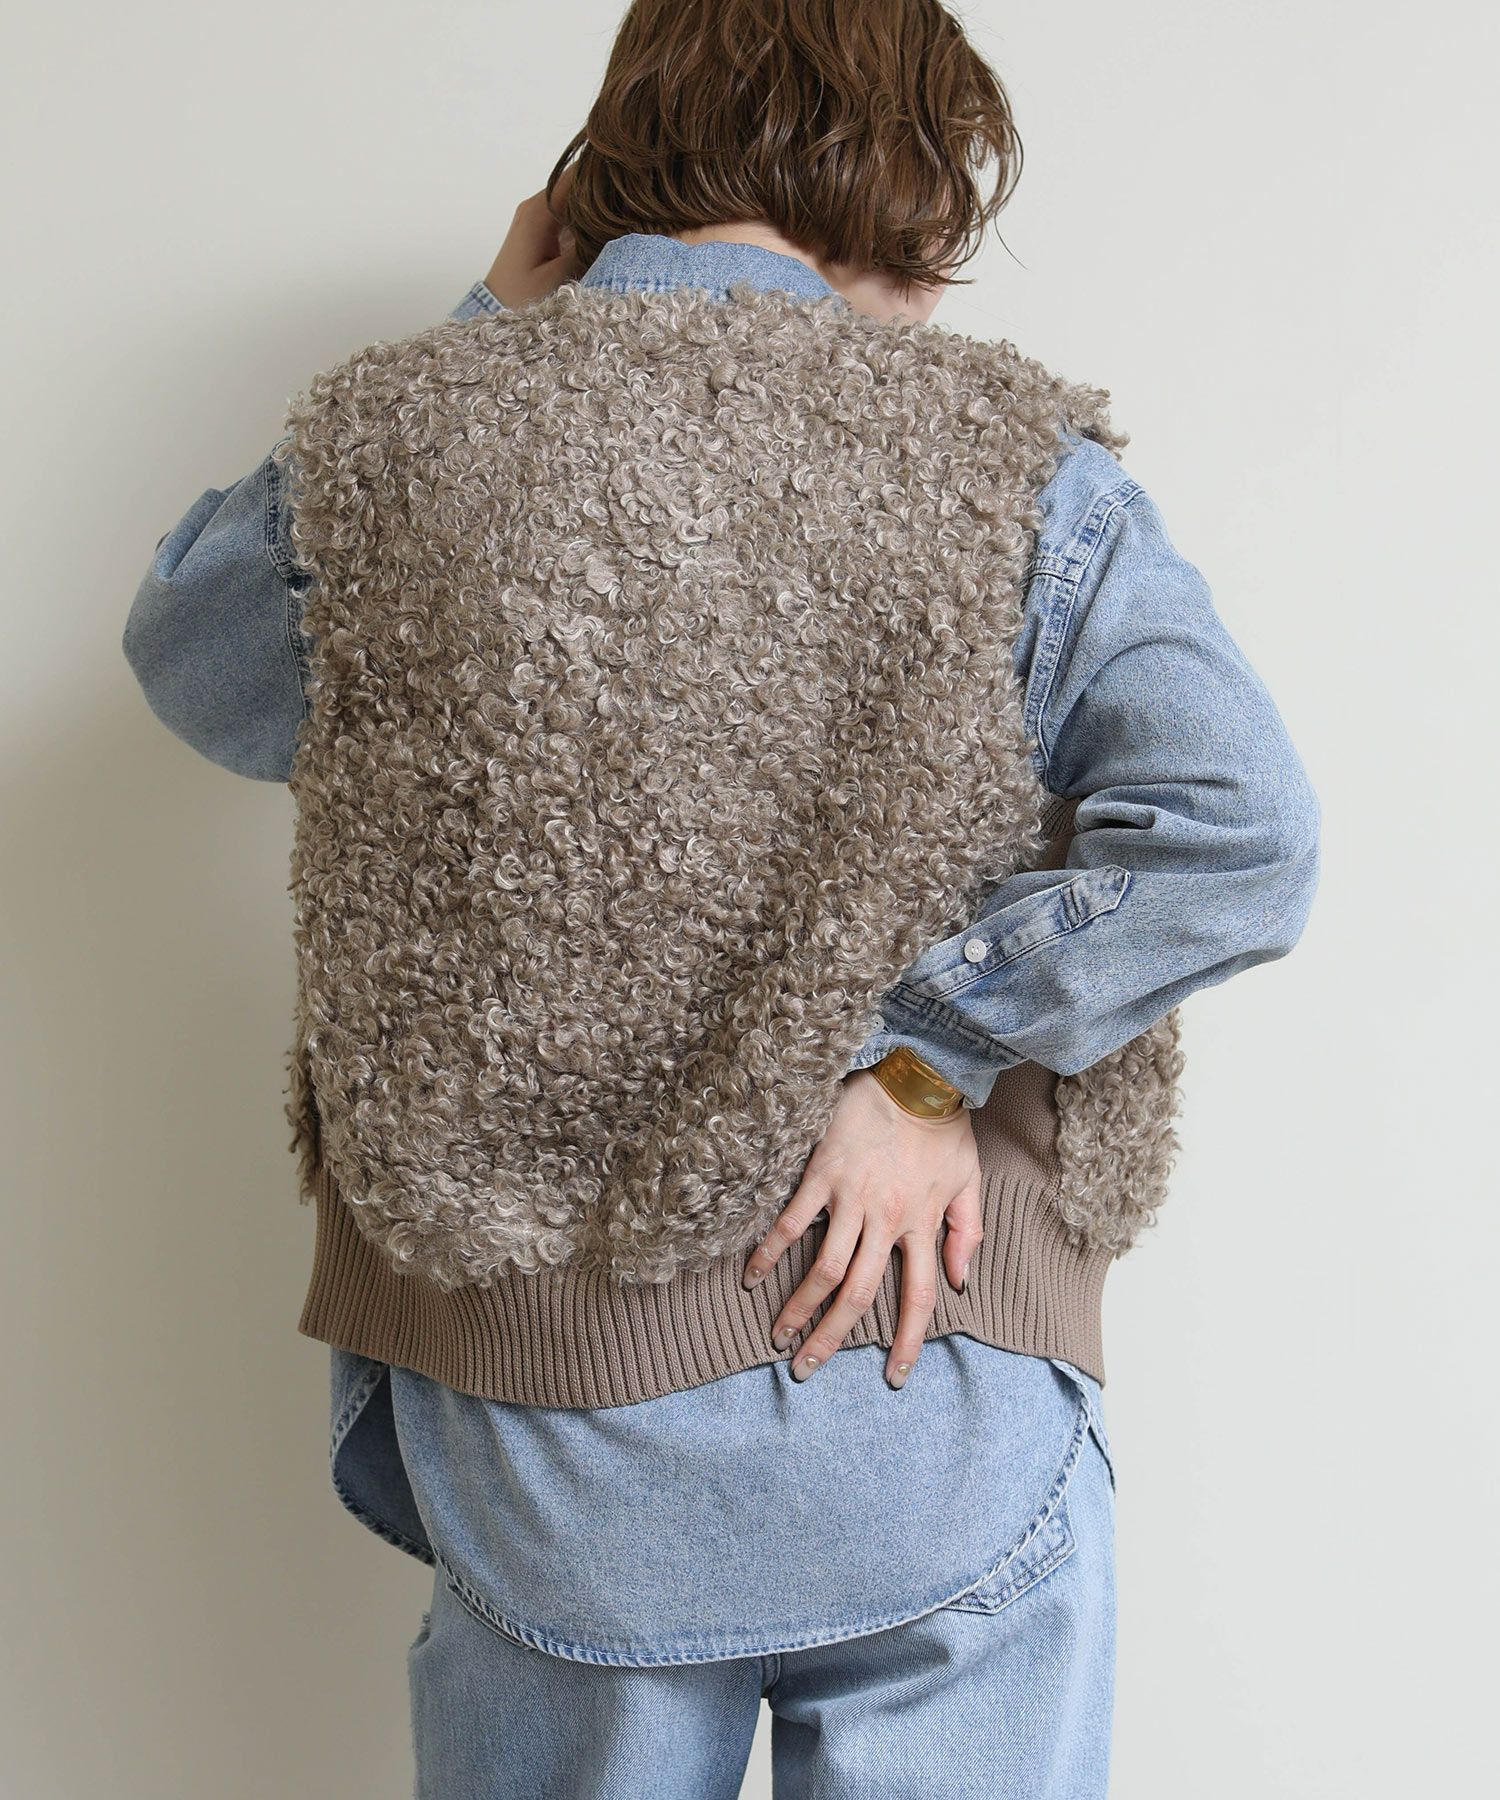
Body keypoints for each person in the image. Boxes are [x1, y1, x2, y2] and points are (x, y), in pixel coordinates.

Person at [120, 2, 1320, 1794]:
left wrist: (488, 327)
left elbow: (195, 660)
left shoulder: (408, 450)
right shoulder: (1017, 471)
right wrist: (922, 1062)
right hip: (932, 1378)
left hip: (553, 1428)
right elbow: (1242, 829)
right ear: (908, 169)